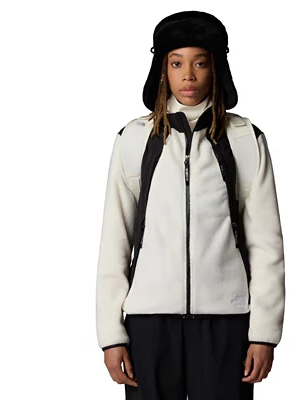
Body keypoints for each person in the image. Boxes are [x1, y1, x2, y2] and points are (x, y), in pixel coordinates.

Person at [95, 10, 286, 400]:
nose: (188, 76)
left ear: (216, 69)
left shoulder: (245, 138)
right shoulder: (134, 138)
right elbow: (115, 241)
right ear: (162, 70)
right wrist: (111, 335)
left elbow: (266, 244)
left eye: (200, 63)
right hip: (148, 323)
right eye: (176, 63)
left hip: (226, 322)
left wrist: (264, 333)